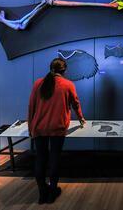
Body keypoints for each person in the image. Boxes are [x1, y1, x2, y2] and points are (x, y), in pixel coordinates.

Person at [28, 58, 86, 204]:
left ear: (51, 69)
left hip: (39, 127)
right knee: (55, 158)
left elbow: (31, 107)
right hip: (57, 128)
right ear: (64, 70)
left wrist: (31, 127)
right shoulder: (68, 85)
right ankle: (52, 192)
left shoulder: (38, 83)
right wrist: (81, 118)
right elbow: (75, 103)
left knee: (40, 158)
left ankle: (42, 193)